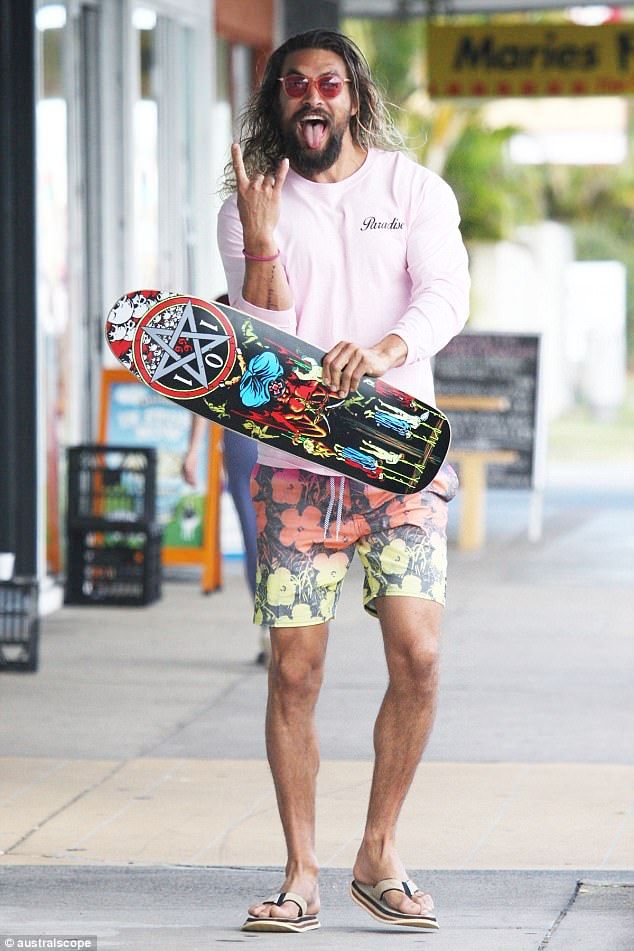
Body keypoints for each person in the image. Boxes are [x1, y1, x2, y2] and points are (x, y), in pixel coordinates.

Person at [217, 29, 469, 934]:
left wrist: (388, 351)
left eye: (328, 82)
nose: (311, 96)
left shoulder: (411, 190)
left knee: (420, 656)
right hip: (295, 474)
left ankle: (378, 850)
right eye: (294, 84)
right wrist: (261, 241)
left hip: (400, 461)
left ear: (353, 96)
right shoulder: (250, 204)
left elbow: (446, 294)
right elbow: (264, 352)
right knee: (294, 671)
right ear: (277, 100)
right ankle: (300, 873)